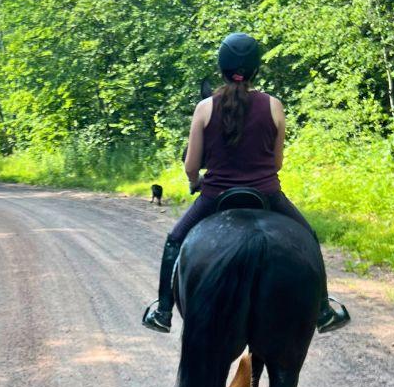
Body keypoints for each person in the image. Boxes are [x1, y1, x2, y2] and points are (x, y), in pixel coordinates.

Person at [142, 32, 350, 335]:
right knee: (309, 236)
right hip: (267, 195)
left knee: (175, 239)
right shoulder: (273, 106)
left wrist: (195, 181)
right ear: (255, 70)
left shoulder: (205, 107)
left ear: (221, 68)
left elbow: (190, 165)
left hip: (215, 195)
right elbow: (277, 163)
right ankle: (322, 311)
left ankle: (162, 311)